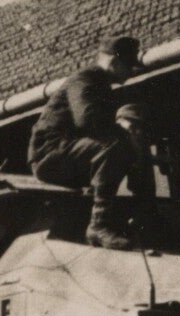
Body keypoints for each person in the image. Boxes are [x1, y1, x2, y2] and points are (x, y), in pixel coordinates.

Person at [27, 34, 150, 250]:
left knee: (126, 146)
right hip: (49, 155)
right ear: (114, 62)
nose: (131, 72)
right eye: (128, 66)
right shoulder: (85, 79)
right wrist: (124, 134)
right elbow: (87, 119)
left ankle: (136, 217)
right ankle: (99, 226)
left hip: (67, 154)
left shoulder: (100, 84)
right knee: (115, 146)